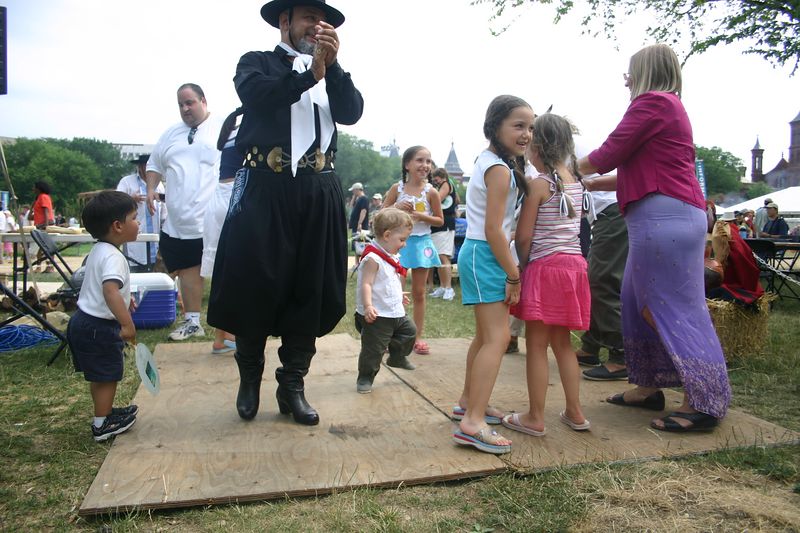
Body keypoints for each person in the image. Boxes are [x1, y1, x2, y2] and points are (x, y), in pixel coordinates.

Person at [207, 0, 363, 425]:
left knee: (308, 287)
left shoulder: (332, 71)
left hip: (318, 189)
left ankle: (292, 384)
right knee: (254, 282)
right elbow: (258, 96)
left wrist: (332, 67)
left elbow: (351, 112)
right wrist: (307, 74)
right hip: (264, 186)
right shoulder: (257, 63)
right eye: (309, 17)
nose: (317, 25)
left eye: (322, 19)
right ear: (285, 22)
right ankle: (249, 379)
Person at [578, 43, 731, 432]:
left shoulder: (654, 103)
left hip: (666, 219)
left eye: (630, 71)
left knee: (674, 305)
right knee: (634, 299)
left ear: (646, 71)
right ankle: (649, 385)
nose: (626, 79)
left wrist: (560, 168)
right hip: (658, 218)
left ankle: (705, 400)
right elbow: (637, 168)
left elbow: (610, 151)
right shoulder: (665, 109)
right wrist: (589, 181)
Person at [452, 95, 533, 455]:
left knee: (486, 336)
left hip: (481, 253)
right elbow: (494, 230)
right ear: (495, 126)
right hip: (486, 254)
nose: (526, 133)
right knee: (498, 339)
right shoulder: (498, 169)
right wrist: (514, 275)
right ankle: (472, 423)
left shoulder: (494, 163)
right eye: (518, 125)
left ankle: (471, 403)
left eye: (530, 127)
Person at [504, 113, 591, 437]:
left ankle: (535, 417)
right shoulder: (575, 182)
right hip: (574, 268)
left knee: (536, 345)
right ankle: (575, 412)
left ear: (536, 147)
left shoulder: (540, 184)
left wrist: (522, 269)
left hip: (546, 268)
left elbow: (524, 236)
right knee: (563, 345)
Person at [146, 83, 222, 342]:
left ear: (203, 100)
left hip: (214, 217)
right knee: (188, 270)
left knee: (226, 271)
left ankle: (232, 327)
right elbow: (154, 164)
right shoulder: (170, 134)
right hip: (178, 220)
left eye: (189, 102)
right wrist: (150, 189)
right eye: (180, 104)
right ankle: (192, 322)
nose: (185, 108)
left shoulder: (223, 128)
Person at [66, 191, 139, 442]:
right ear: (118, 226)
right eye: (134, 218)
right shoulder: (114, 257)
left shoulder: (99, 249)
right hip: (99, 327)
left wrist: (126, 299)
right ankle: (102, 425)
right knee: (108, 374)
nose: (138, 223)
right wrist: (126, 323)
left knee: (99, 374)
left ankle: (103, 413)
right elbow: (109, 291)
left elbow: (104, 287)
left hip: (83, 321)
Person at [573, 137, 628, 382]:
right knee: (595, 277)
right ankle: (591, 345)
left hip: (612, 211)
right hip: (607, 213)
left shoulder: (561, 149)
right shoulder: (571, 147)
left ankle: (621, 355)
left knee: (602, 279)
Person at [383, 146, 443, 355]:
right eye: (419, 160)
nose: (425, 165)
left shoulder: (431, 192)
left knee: (419, 293)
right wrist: (397, 207)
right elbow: (381, 212)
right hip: (399, 245)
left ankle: (417, 336)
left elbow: (439, 220)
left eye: (428, 161)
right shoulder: (396, 189)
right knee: (395, 292)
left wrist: (423, 217)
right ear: (407, 164)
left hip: (422, 244)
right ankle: (393, 336)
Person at [354, 207, 416, 393]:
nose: (404, 244)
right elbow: (367, 284)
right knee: (373, 350)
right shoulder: (373, 258)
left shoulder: (390, 255)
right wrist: (368, 306)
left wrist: (398, 295)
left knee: (409, 332)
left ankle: (397, 356)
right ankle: (365, 377)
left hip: (394, 311)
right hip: (378, 314)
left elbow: (388, 280)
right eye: (402, 239)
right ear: (387, 235)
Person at [201, 108, 244, 355]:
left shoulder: (231, 128)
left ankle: (223, 336)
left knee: (224, 272)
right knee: (237, 272)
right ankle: (231, 334)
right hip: (235, 197)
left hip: (220, 197)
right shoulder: (250, 129)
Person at [116, 154, 166, 269]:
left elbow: (164, 214)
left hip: (155, 242)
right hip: (135, 243)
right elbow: (115, 204)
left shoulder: (159, 186)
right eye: (145, 166)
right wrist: (131, 199)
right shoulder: (127, 182)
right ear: (140, 167)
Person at [709, 211, 764, 304]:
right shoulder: (732, 230)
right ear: (734, 221)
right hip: (732, 269)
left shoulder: (721, 229)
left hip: (725, 268)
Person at [429, 167, 459, 301]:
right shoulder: (442, 185)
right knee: (438, 256)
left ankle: (448, 288)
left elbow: (438, 198)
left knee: (443, 256)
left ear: (441, 177)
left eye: (435, 178)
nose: (434, 181)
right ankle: (442, 286)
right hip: (438, 225)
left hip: (445, 224)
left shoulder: (446, 184)